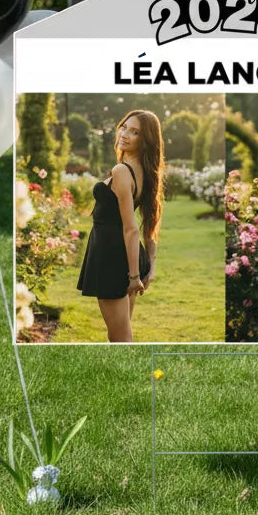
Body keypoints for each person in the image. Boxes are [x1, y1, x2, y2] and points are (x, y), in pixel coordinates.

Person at [76, 110, 164, 342]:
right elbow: (152, 220)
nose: (125, 134)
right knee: (121, 331)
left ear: (145, 141)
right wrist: (150, 266)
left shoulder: (122, 171)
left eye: (135, 132)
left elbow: (132, 228)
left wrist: (134, 276)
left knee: (120, 337)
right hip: (125, 259)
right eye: (124, 127)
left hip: (113, 260)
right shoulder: (144, 171)